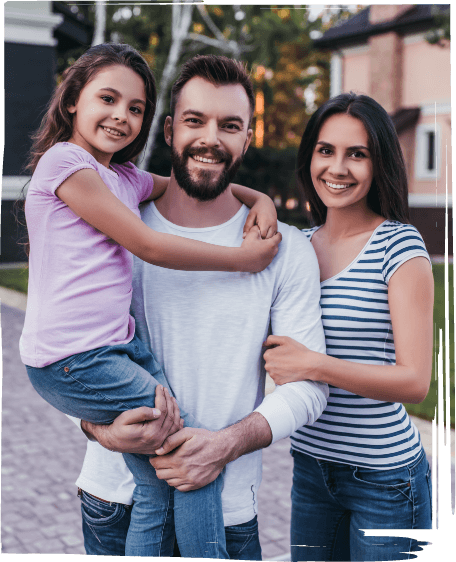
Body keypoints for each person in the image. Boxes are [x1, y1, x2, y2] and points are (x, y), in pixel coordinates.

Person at [20, 43, 284, 559]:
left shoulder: (122, 178)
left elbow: (187, 186)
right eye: (108, 99)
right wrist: (241, 260)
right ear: (73, 100)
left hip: (115, 350)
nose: (121, 116)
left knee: (164, 474)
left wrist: (262, 199)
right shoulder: (65, 164)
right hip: (75, 358)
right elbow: (148, 245)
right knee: (186, 458)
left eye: (135, 108)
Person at [69, 54, 329, 559]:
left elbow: (308, 389)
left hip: (226, 507)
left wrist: (226, 444)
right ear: (169, 129)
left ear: (246, 139)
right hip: (115, 501)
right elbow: (67, 350)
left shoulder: (284, 248)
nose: (211, 138)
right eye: (195, 120)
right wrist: (97, 427)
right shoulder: (116, 226)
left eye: (229, 125)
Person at [263, 92, 434, 562]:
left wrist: (314, 366)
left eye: (356, 154)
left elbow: (415, 381)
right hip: (312, 468)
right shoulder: (294, 246)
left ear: (378, 163)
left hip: (385, 480)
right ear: (309, 157)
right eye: (326, 150)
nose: (337, 168)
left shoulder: (398, 246)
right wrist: (255, 198)